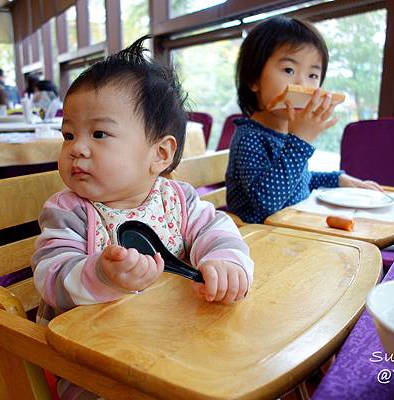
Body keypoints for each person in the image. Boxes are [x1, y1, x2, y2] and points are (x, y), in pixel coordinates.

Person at [31, 37, 254, 397]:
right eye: (69, 134)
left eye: (99, 133)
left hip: (172, 339)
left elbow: (217, 228)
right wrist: (103, 274)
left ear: (160, 154)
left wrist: (225, 261)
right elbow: (51, 276)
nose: (77, 148)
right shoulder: (69, 211)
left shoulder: (177, 200)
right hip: (91, 363)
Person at [225, 16, 382, 224]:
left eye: (313, 75)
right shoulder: (250, 136)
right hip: (260, 241)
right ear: (254, 79)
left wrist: (339, 179)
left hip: (292, 231)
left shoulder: (284, 134)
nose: (302, 84)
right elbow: (267, 202)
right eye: (289, 70)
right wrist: (300, 140)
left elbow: (298, 180)